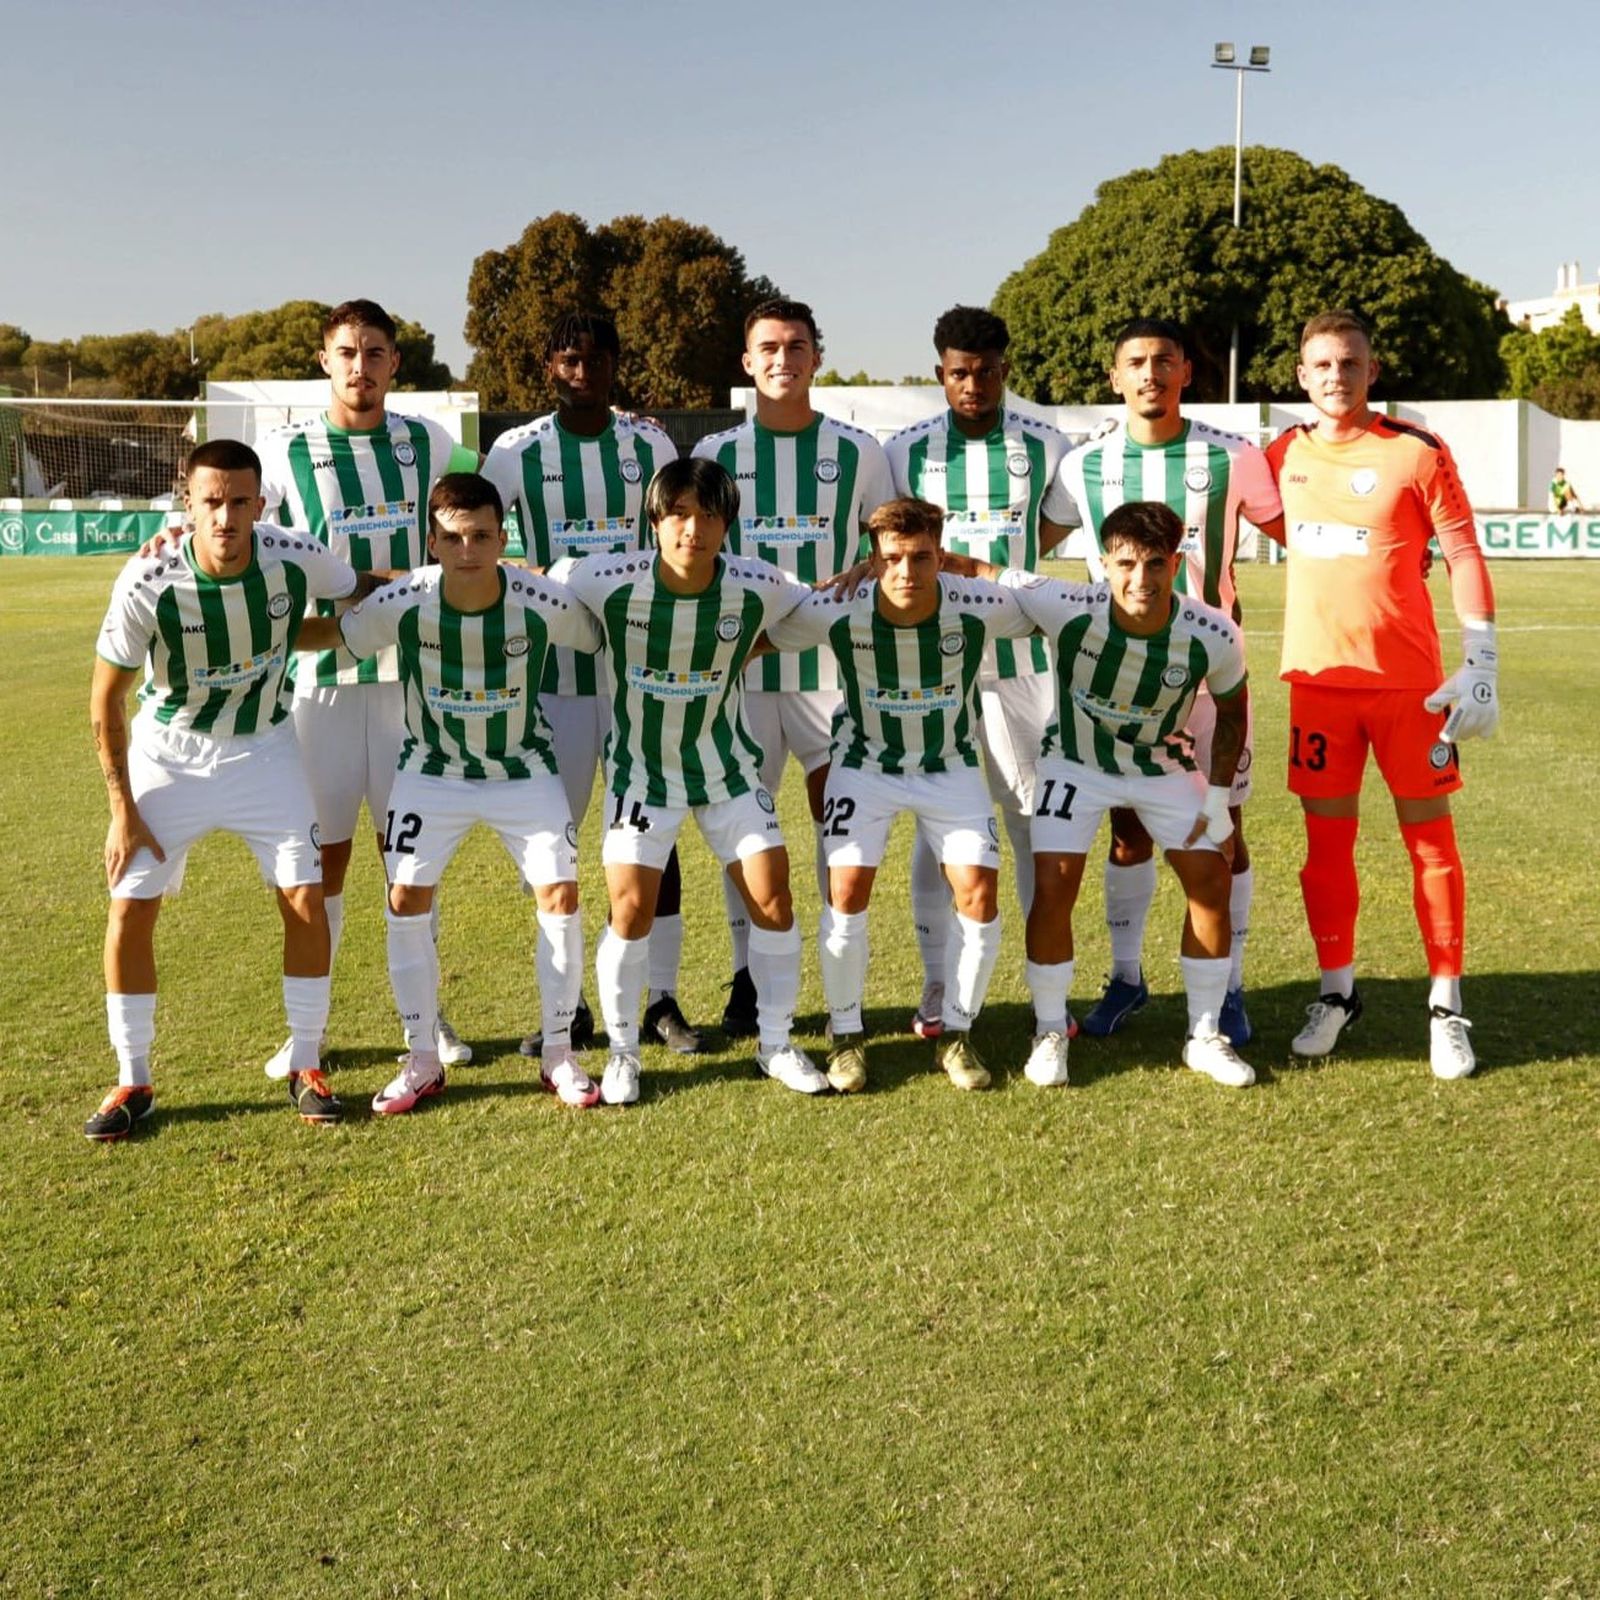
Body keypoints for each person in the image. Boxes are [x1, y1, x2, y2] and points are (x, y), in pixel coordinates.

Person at [84, 440, 375, 1140]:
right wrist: (122, 811)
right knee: (131, 906)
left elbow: (351, 593)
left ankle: (307, 1063)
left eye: (239, 502)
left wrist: (443, 580)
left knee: (305, 897)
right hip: (168, 757)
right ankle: (133, 1077)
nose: (225, 517)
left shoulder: (293, 555)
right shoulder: (148, 579)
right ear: (186, 503)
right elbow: (105, 701)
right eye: (210, 501)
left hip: (266, 750)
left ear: (259, 504)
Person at [296, 474, 604, 1114]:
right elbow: (341, 636)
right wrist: (252, 633)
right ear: (432, 542)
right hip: (430, 771)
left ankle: (559, 1054)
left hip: (524, 770)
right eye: (455, 538)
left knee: (560, 894)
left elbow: (601, 634)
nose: (469, 550)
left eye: (483, 537)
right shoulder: (404, 599)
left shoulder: (542, 600)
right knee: (405, 899)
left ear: (502, 538)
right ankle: (422, 1058)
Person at [944, 500, 1254, 1089]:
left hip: (1162, 768)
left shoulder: (1212, 631)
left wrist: (1217, 802)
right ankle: (1049, 1030)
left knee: (1212, 879)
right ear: (1103, 564)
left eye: (1156, 564)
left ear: (1176, 563)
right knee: (1054, 884)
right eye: (1126, 564)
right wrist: (877, 566)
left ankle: (1205, 1034)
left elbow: (1233, 715)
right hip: (1075, 765)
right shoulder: (1067, 604)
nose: (1141, 579)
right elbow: (981, 570)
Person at [1265, 310, 1497, 1079]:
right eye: (1323, 364)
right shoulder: (1280, 455)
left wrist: (1482, 657)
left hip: (1409, 689)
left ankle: (1446, 1006)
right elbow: (1280, 529)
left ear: (1373, 370)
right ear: (1302, 376)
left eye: (1350, 363)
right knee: (1325, 849)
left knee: (1430, 845)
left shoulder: (1416, 451)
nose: (1336, 376)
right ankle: (1337, 994)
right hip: (1319, 684)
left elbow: (1461, 548)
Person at [552, 457, 827, 1104]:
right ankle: (623, 1053)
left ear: (727, 524)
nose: (692, 530)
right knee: (629, 909)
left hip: (727, 770)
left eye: (708, 516)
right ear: (654, 520)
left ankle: (776, 1043)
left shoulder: (758, 583)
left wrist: (749, 645)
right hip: (642, 774)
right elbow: (535, 582)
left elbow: (816, 608)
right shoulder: (603, 578)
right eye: (677, 514)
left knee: (774, 900)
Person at [1041, 317, 1283, 1047]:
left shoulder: (1234, 456)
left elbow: (1300, 532)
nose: (1151, 373)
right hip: (1118, 684)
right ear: (1114, 376)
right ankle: (1126, 977)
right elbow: (1031, 541)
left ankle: (1229, 986)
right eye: (1137, 362)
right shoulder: (1082, 466)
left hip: (1208, 682)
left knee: (1224, 831)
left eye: (1164, 360)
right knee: (1127, 830)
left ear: (1186, 372)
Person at [255, 299, 481, 1075]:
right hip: (318, 683)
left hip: (410, 685)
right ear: (325, 361)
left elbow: (485, 505)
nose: (361, 367)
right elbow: (243, 529)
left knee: (408, 858)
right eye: (347, 353)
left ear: (395, 364)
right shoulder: (284, 449)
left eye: (375, 353)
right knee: (322, 860)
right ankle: (308, 1030)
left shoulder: (430, 441)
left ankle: (427, 1019)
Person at [481, 311, 700, 1057]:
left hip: (641, 675)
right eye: (569, 359)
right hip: (551, 681)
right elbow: (475, 538)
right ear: (549, 365)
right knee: (555, 841)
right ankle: (568, 1006)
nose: (582, 372)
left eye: (595, 359)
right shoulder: (516, 450)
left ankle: (660, 1000)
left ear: (613, 365)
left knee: (656, 835)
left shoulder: (650, 444)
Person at [765, 498, 1036, 1092]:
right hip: (864, 767)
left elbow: (1052, 611)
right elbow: (758, 637)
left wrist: (980, 568)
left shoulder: (977, 603)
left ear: (940, 555)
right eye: (891, 559)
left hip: (950, 766)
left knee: (979, 894)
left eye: (920, 558)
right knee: (845, 892)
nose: (906, 572)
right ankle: (845, 1037)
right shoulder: (839, 607)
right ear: (872, 559)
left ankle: (957, 1034)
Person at [693, 299, 895, 1036]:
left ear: (816, 357)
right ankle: (749, 978)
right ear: (747, 362)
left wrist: (868, 566)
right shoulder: (715, 452)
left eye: (797, 346)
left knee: (838, 827)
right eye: (769, 348)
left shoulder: (859, 450)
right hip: (742, 675)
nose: (784, 359)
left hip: (833, 677)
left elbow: (888, 546)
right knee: (743, 832)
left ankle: (841, 985)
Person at [883, 306, 1072, 1041]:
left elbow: (1047, 532)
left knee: (1030, 819)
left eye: (987, 371)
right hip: (932, 664)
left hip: (1022, 664)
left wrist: (1003, 575)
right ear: (941, 373)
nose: (974, 384)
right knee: (937, 824)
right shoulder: (904, 451)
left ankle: (1043, 986)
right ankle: (937, 983)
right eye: (960, 372)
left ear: (1005, 370)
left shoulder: (1045, 444)